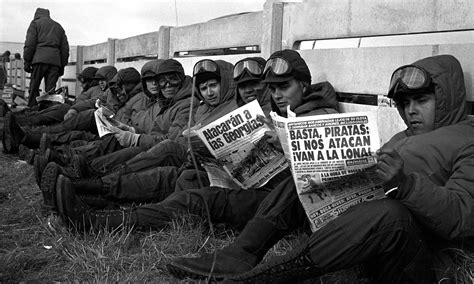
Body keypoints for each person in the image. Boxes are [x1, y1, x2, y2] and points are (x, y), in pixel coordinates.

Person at [51, 51, 338, 265]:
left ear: (303, 84)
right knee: (180, 178)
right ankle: (93, 193)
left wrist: (283, 144)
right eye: (272, 88)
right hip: (253, 185)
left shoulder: (321, 116)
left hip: (278, 201)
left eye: (283, 87)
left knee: (195, 200)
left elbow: (324, 176)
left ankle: (96, 222)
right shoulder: (282, 113)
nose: (276, 94)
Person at [217, 54, 474, 283]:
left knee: (390, 214)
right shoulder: (401, 138)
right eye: (405, 103)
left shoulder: (468, 142)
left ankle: (268, 275)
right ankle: (241, 252)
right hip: (369, 240)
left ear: (445, 100)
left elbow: (462, 217)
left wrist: (405, 184)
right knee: (308, 178)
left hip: (418, 255)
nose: (411, 111)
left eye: (421, 100)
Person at [41, 59, 236, 209]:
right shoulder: (195, 107)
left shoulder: (189, 104)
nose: (165, 86)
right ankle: (76, 173)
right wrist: (131, 130)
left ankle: (85, 179)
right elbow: (153, 128)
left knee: (157, 163)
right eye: (204, 87)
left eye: (213, 85)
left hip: (195, 165)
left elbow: (172, 140)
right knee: (127, 150)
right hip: (184, 159)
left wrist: (136, 136)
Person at [24, 8, 69, 108]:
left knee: (34, 87)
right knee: (50, 91)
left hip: (39, 60)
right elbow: (65, 49)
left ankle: (32, 109)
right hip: (54, 62)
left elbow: (30, 44)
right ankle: (47, 111)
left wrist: (27, 61)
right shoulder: (58, 27)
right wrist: (62, 66)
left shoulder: (35, 23)